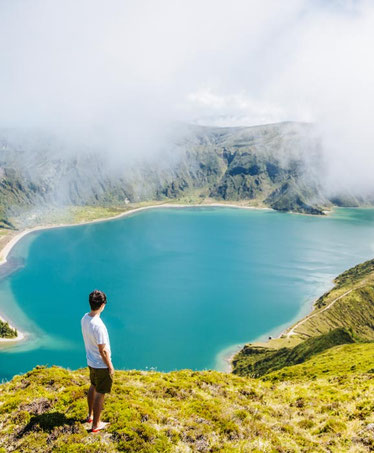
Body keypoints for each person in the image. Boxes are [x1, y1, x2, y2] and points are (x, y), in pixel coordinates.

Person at [81, 289, 114, 432]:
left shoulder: (85, 318)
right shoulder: (99, 325)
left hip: (91, 362)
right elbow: (103, 350)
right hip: (101, 365)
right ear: (102, 305)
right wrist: (110, 366)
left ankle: (90, 415)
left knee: (93, 386)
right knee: (100, 393)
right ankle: (96, 425)